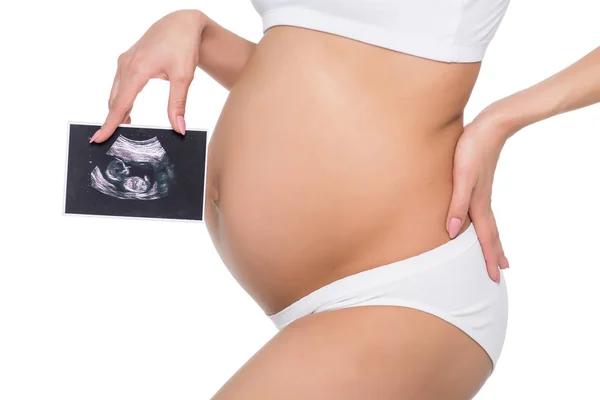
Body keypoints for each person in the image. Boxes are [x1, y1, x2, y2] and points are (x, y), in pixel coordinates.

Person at [89, 3, 600, 399]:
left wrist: (501, 120)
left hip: (405, 289)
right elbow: (310, 72)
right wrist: (196, 28)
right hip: (321, 305)